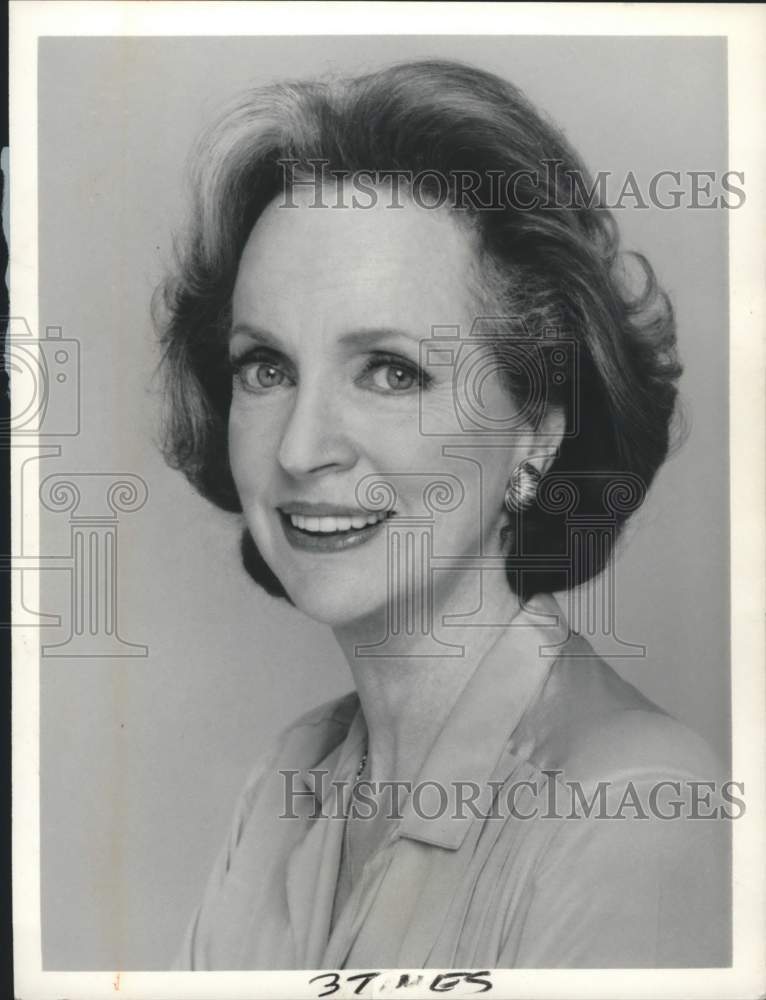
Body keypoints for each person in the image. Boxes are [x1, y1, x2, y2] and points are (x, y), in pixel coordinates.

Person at [157, 59, 729, 969]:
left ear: (537, 429)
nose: (302, 449)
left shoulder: (633, 805)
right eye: (266, 367)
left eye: (391, 371)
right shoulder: (287, 783)